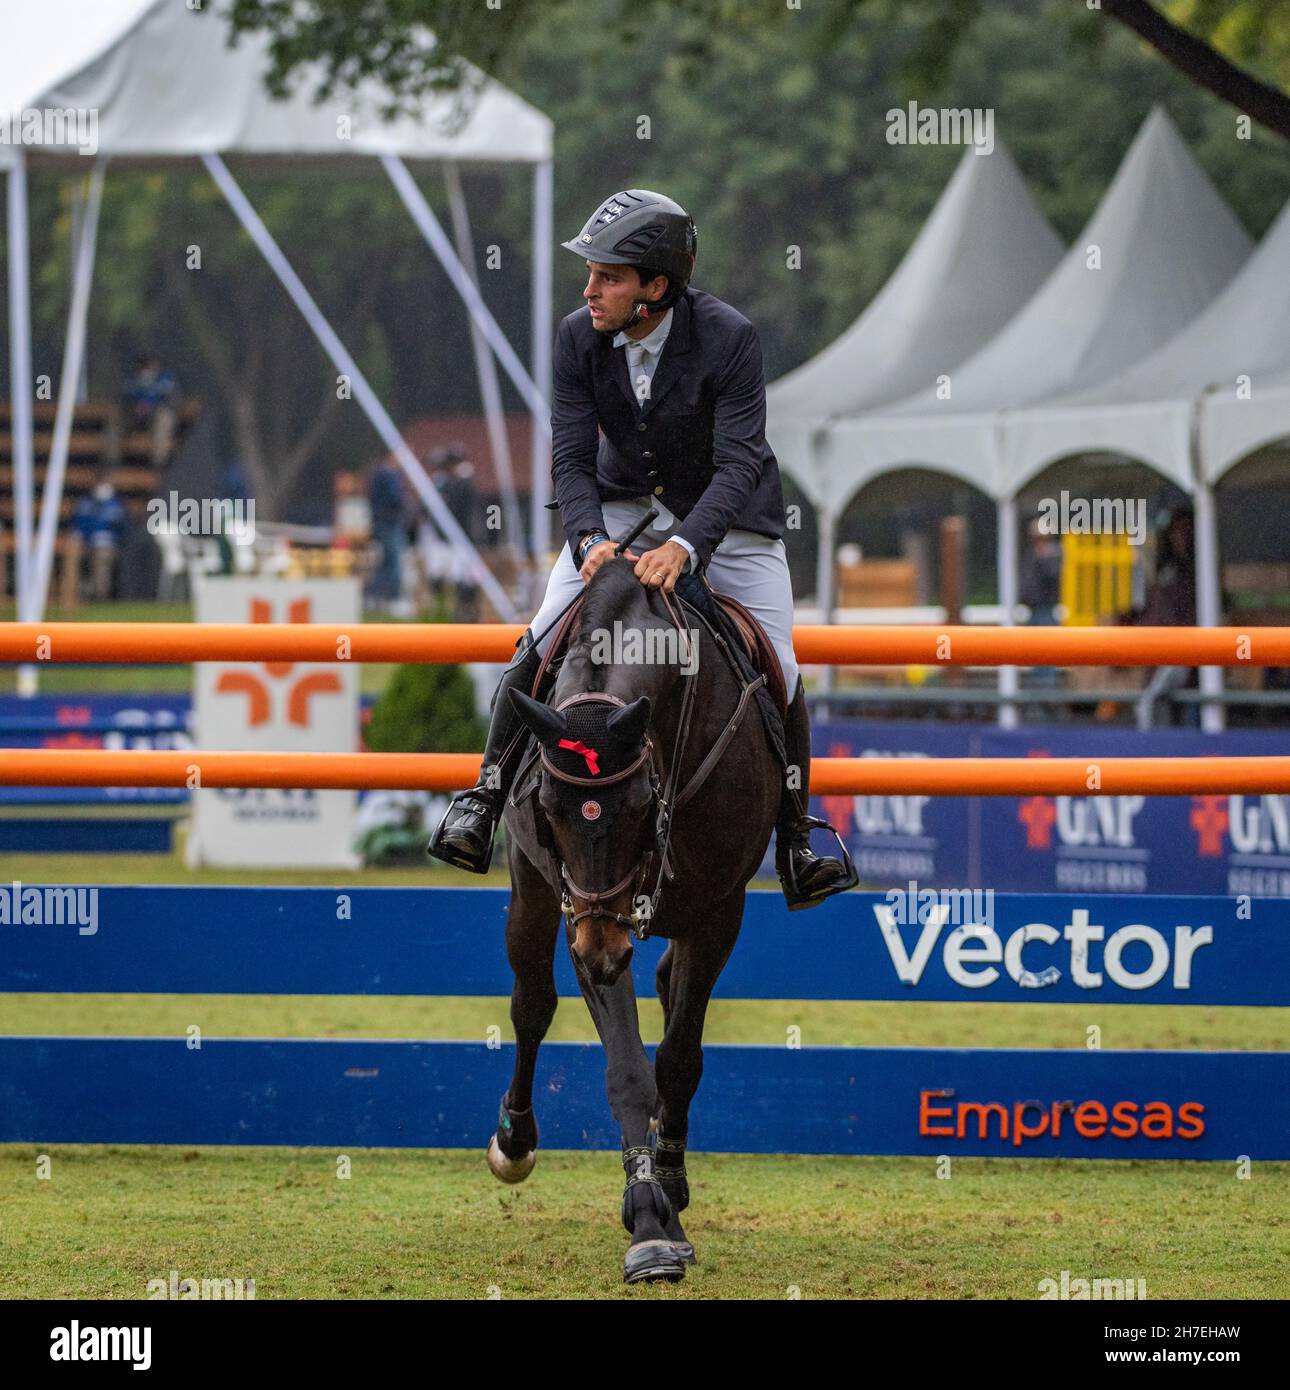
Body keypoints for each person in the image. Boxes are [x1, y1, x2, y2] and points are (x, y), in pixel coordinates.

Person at [430, 188, 855, 910]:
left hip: (728, 516)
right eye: (590, 274)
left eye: (609, 277)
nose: (590, 290)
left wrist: (688, 545)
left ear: (656, 288)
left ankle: (797, 836)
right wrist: (590, 538)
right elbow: (568, 456)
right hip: (619, 507)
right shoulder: (577, 337)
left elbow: (738, 462)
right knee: (536, 640)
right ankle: (484, 796)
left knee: (779, 663)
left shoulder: (729, 337)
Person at [367, 456, 408, 610]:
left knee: (383, 563)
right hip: (390, 523)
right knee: (394, 562)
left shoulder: (377, 473)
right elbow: (395, 498)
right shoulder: (389, 475)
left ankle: (376, 597)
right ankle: (393, 599)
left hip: (380, 522)